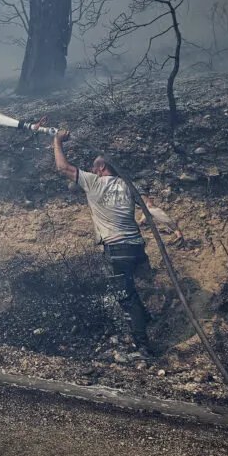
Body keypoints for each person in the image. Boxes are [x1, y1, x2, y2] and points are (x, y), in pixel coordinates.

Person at [53, 130, 153, 353]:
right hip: (137, 247)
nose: (91, 169)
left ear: (100, 169)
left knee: (125, 296)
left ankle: (144, 347)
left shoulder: (94, 182)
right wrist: (146, 219)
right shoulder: (128, 184)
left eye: (93, 166)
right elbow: (148, 203)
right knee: (134, 288)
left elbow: (62, 167)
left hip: (116, 248)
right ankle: (146, 318)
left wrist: (57, 140)